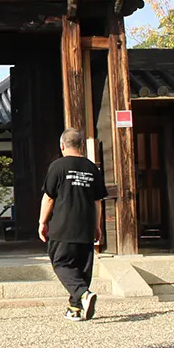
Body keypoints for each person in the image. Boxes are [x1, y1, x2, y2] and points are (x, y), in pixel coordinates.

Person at [40, 127, 106, 321]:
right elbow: (97, 201)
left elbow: (49, 198)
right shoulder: (92, 168)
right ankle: (75, 309)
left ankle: (83, 294)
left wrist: (42, 221)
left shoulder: (57, 166)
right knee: (82, 267)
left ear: (62, 145)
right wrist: (97, 225)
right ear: (81, 145)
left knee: (61, 263)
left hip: (63, 225)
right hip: (85, 224)